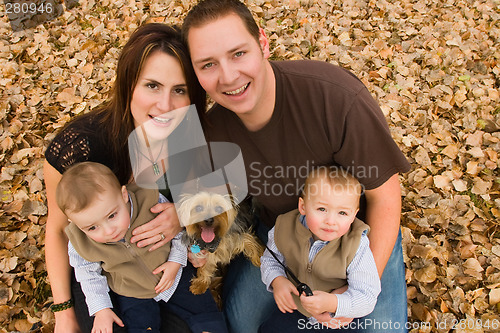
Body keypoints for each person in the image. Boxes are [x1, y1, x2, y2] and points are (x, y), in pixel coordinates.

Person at [182, 1, 411, 332]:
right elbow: (193, 197)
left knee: (380, 329)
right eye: (208, 64)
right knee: (240, 323)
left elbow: (385, 199)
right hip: (279, 233)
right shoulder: (211, 130)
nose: (228, 76)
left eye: (239, 54)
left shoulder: (335, 99)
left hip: (351, 233)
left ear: (263, 43)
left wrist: (357, 290)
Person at [44, 23, 205, 333]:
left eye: (180, 90)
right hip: (103, 274)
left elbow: (211, 200)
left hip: (164, 264)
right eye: (152, 86)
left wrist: (183, 216)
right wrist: (64, 314)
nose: (165, 106)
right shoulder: (80, 146)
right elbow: (57, 229)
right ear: (128, 83)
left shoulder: (189, 134)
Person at [56, 162, 227, 333]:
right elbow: (88, 276)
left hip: (174, 275)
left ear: (123, 195)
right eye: (92, 228)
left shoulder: (148, 201)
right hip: (132, 292)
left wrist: (176, 261)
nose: (109, 231)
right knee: (141, 326)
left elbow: (177, 231)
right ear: (76, 225)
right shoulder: (81, 243)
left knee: (206, 316)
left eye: (112, 215)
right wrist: (102, 309)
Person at [259, 166, 381, 332]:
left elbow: (367, 295)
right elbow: (270, 259)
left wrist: (334, 303)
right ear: (303, 206)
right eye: (322, 209)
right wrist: (277, 280)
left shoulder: (356, 244)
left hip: (337, 317)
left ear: (354, 215)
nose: (331, 221)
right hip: (296, 308)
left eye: (343, 213)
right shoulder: (284, 227)